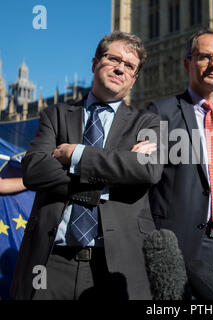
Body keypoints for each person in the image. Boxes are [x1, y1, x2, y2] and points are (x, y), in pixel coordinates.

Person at [10, 31, 163, 300]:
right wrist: (113, 173)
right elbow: (33, 171)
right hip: (50, 263)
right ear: (94, 64)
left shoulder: (147, 122)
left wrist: (76, 155)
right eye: (113, 58)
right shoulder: (55, 115)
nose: (120, 68)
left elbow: (147, 170)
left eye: (129, 66)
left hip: (114, 266)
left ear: (135, 78)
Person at [147, 29, 213, 299]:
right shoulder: (160, 112)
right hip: (181, 246)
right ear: (187, 63)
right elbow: (145, 181)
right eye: (205, 57)